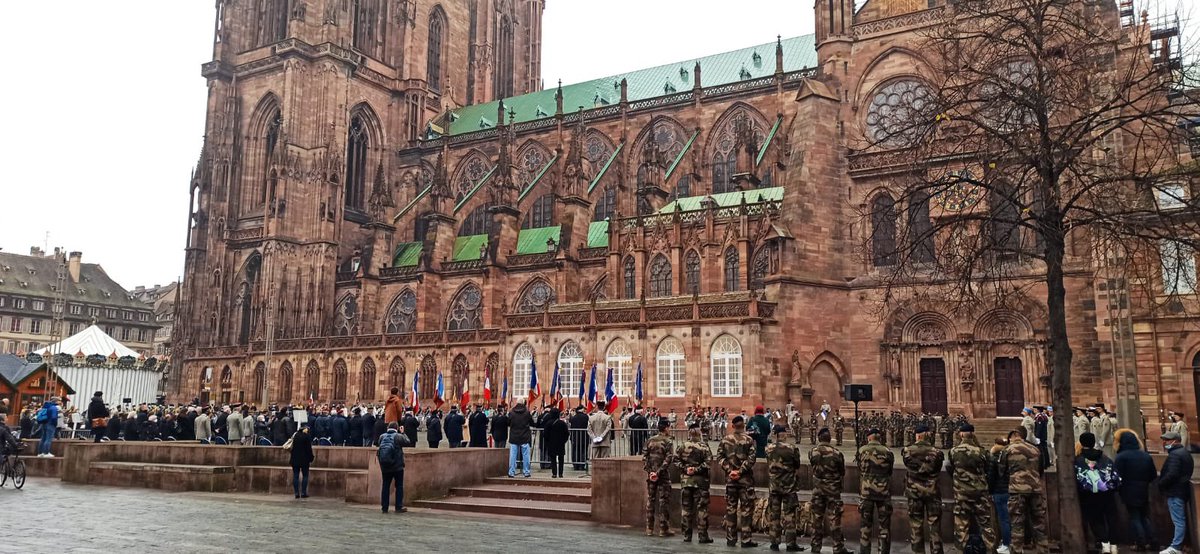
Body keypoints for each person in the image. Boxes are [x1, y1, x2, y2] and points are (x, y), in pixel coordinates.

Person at [948, 423, 995, 553]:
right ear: (973, 434)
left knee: (961, 526)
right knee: (986, 525)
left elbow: (950, 467)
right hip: (980, 493)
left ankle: (960, 551)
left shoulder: (953, 451)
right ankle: (990, 549)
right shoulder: (982, 451)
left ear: (961, 434)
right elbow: (989, 468)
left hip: (962, 494)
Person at [1004, 427, 1048, 553]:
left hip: (1017, 490)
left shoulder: (1008, 449)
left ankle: (1017, 550)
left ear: (1014, 435)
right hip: (1035, 489)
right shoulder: (1036, 449)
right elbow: (1041, 469)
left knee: (1017, 524)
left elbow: (1002, 470)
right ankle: (1043, 549)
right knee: (1039, 523)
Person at [1074, 432, 1120, 553]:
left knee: (1095, 519)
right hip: (1107, 493)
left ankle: (1104, 543)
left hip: (1088, 495)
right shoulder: (1105, 458)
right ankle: (1114, 545)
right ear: (1094, 443)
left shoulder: (1078, 460)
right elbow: (1115, 476)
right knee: (1111, 518)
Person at [902, 424, 944, 554]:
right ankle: (936, 551)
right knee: (935, 524)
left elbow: (908, 465)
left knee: (916, 524)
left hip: (914, 493)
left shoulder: (907, 450)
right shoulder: (937, 452)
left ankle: (918, 551)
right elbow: (937, 469)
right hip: (932, 492)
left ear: (918, 435)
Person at [717, 415, 757, 548]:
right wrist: (740, 471)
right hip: (745, 481)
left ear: (733, 426)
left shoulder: (725, 440)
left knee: (730, 510)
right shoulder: (749, 440)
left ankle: (731, 538)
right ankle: (746, 539)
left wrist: (730, 471)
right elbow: (752, 459)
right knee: (746, 510)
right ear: (744, 425)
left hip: (730, 481)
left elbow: (720, 457)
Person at [1114, 430, 1157, 552]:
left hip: (1128, 489)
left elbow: (1117, 476)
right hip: (1143, 489)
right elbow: (1153, 475)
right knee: (1144, 517)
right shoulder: (1145, 456)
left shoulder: (1121, 457)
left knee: (1135, 517)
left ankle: (1141, 542)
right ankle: (1153, 540)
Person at [857, 427, 894, 554]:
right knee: (884, 526)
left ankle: (864, 551)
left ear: (869, 438)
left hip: (866, 493)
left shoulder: (862, 450)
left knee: (865, 526)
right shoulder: (887, 451)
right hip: (883, 493)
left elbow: (860, 469)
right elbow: (890, 471)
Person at [765, 424, 802, 552]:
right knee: (790, 514)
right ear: (785, 435)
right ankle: (791, 543)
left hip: (774, 486)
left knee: (774, 514)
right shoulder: (792, 448)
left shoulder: (768, 449)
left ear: (776, 435)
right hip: (789, 486)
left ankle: (774, 542)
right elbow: (797, 464)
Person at [810, 428, 846, 554]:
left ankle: (815, 547)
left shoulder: (812, 452)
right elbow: (842, 471)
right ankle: (838, 547)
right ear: (830, 439)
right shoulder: (836, 453)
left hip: (818, 490)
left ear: (819, 438)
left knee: (816, 519)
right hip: (833, 491)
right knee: (835, 519)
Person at [677, 421, 713, 544]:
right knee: (702, 509)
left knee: (686, 509)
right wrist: (696, 469)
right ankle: (703, 536)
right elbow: (708, 463)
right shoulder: (704, 447)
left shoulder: (682, 446)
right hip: (700, 483)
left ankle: (687, 535)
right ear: (699, 433)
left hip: (686, 482)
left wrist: (686, 469)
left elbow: (676, 460)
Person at [1158, 430, 1194, 554]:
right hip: (1180, 490)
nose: (1164, 443)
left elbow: (1172, 474)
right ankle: (1180, 545)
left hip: (1175, 491)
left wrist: (1161, 483)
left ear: (1175, 441)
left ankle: (1176, 547)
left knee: (1178, 521)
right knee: (1180, 520)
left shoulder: (1175, 455)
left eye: (1167, 441)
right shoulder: (1183, 453)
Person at [641, 418, 675, 537]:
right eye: (669, 427)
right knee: (663, 501)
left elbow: (644, 457)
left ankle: (649, 528)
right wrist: (659, 472)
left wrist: (651, 472)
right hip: (663, 476)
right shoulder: (668, 441)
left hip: (651, 476)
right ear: (666, 428)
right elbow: (669, 458)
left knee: (651, 500)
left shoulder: (650, 440)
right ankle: (663, 529)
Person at [377, 422, 412, 513]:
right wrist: (403, 432)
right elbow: (408, 442)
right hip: (397, 466)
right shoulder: (398, 436)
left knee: (385, 486)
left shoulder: (382, 436)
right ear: (397, 428)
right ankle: (398, 507)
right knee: (399, 486)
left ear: (388, 427)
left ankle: (384, 508)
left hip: (385, 466)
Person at [987, 437, 1013, 554]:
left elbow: (991, 477)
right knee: (1010, 519)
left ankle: (1006, 544)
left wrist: (990, 491)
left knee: (1002, 520)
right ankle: (1013, 543)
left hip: (998, 492)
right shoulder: (1010, 457)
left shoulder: (993, 459)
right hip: (1010, 490)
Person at [507, 399, 533, 478]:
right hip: (525, 436)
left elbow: (508, 423)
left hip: (514, 436)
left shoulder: (511, 412)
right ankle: (526, 472)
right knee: (526, 455)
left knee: (513, 455)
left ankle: (511, 472)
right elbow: (532, 422)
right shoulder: (527, 413)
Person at [289, 426, 314, 499]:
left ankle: (296, 493)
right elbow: (309, 449)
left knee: (295, 475)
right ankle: (303, 492)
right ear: (304, 429)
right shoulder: (306, 437)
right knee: (305, 475)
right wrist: (311, 458)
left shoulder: (295, 436)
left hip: (294, 459)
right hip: (304, 460)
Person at [544, 408, 570, 478]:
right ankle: (561, 473)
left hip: (551, 443)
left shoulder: (548, 423)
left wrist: (548, 441)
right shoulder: (562, 423)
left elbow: (545, 434)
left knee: (553, 459)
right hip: (561, 443)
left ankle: (554, 473)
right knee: (561, 459)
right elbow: (567, 434)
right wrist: (564, 441)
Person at [569, 406, 590, 470]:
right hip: (584, 437)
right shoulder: (586, 417)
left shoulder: (573, 418)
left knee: (575, 451)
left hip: (575, 437)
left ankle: (575, 465)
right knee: (583, 451)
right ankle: (582, 465)